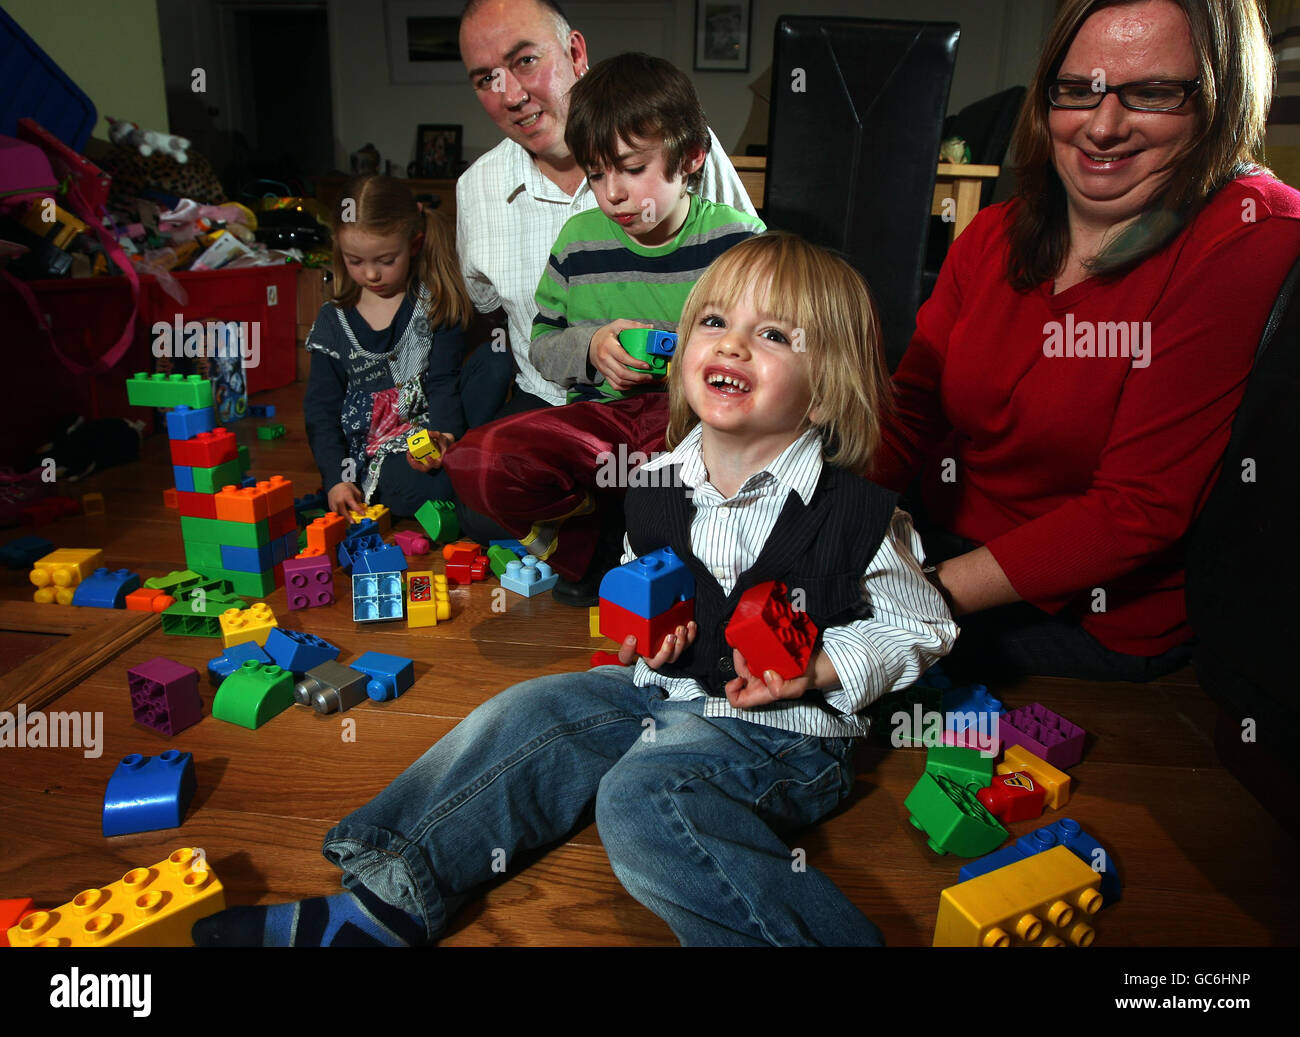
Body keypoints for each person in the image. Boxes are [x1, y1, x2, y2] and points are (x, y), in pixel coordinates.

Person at [192, 233, 957, 948]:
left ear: (822, 394)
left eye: (775, 335)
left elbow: (922, 625)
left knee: (640, 796)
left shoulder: (857, 515)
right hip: (660, 690)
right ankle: (384, 899)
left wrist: (820, 666)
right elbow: (647, 583)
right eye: (716, 320)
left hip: (786, 732)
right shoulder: (655, 484)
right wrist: (657, 634)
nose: (732, 342)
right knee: (528, 710)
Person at [870, 0, 1300, 683]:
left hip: (1081, 615)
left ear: (1221, 99)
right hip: (934, 544)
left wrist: (909, 598)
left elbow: (1137, 510)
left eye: (1153, 93)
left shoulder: (1253, 233)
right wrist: (822, 521)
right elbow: (914, 406)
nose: (1102, 127)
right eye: (1077, 90)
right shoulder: (994, 231)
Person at [434, 52, 764, 604]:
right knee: (476, 461)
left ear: (690, 157)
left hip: (696, 432)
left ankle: (671, 555)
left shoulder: (739, 242)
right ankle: (589, 549)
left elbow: (771, 353)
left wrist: (699, 359)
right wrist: (590, 346)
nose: (611, 193)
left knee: (691, 509)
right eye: (595, 172)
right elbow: (541, 344)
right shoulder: (578, 241)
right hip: (601, 422)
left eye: (632, 169)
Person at [455, 0, 757, 416]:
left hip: (695, 417)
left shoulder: (724, 220)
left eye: (525, 60)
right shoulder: (481, 192)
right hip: (561, 408)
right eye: (486, 78)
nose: (511, 95)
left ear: (576, 54)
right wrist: (590, 349)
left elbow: (764, 313)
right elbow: (499, 324)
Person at [302, 175, 513, 520]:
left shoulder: (432, 301)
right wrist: (336, 481)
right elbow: (320, 412)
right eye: (355, 261)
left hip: (433, 431)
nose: (371, 274)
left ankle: (468, 464)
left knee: (498, 357)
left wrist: (444, 438)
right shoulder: (332, 323)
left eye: (386, 261)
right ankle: (466, 481)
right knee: (440, 488)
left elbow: (444, 381)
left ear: (414, 245)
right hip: (377, 455)